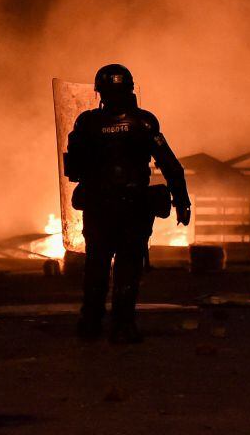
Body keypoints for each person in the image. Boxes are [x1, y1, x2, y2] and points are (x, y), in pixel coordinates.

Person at [64, 64, 191, 343]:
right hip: (134, 207)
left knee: (97, 265)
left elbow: (73, 168)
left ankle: (90, 324)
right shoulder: (144, 123)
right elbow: (170, 165)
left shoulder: (86, 124)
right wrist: (182, 201)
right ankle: (123, 326)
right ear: (130, 89)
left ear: (100, 92)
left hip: (99, 207)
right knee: (128, 267)